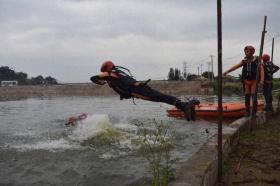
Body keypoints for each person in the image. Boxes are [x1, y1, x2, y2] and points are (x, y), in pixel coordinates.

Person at [90, 61, 200, 121]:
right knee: (162, 97)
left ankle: (185, 106)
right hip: (140, 87)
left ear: (106, 69)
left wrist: (100, 82)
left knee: (162, 97)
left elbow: (94, 78)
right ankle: (185, 106)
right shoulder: (118, 72)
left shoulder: (110, 74)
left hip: (138, 89)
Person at [223, 45, 264, 116]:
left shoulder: (257, 60)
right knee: (247, 95)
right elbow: (235, 67)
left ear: (252, 52)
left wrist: (262, 80)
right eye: (246, 51)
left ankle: (254, 112)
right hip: (246, 81)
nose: (246, 53)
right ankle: (247, 111)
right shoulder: (244, 61)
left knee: (253, 95)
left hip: (254, 80)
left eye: (248, 51)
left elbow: (261, 69)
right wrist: (227, 71)